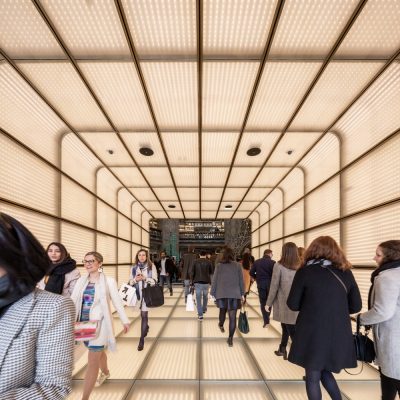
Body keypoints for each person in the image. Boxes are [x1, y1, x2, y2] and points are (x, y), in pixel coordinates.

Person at [0, 213, 75, 399]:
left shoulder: (70, 273)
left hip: (53, 313)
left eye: (58, 251)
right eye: (51, 250)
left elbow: (54, 387)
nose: (54, 254)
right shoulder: (47, 274)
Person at [287, 236, 362, 400]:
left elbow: (293, 304)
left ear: (312, 250)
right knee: (325, 370)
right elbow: (356, 306)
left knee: (313, 374)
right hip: (338, 331)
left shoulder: (305, 272)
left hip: (312, 331)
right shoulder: (346, 272)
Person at [71, 251, 130, 400]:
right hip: (82, 324)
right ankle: (106, 371)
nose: (88, 264)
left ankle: (85, 397)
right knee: (99, 353)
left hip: (100, 326)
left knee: (92, 361)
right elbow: (73, 301)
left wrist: (125, 320)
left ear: (100, 263)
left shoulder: (108, 281)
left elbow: (117, 301)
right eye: (85, 261)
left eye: (91, 261)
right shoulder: (81, 280)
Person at [359, 240, 400, 400]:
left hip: (393, 339)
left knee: (391, 378)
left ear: (389, 257)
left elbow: (382, 311)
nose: (374, 258)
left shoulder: (387, 277)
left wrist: (361, 318)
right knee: (388, 381)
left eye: (378, 255)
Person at [266, 242, 301, 360]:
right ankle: (282, 348)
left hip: (284, 303)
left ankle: (301, 355)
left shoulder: (279, 266)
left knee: (291, 329)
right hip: (298, 303)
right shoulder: (301, 265)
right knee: (286, 325)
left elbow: (274, 286)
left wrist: (268, 303)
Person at [211, 246, 245, 347]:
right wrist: (242, 293)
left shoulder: (219, 266)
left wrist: (212, 293)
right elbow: (241, 281)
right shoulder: (238, 265)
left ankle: (221, 324)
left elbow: (215, 280)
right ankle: (230, 339)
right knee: (232, 317)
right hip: (234, 294)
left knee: (222, 311)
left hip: (222, 293)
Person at [130, 249, 158, 351]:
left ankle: (141, 340)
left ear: (147, 257)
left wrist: (145, 278)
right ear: (137, 257)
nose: (141, 257)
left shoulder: (151, 267)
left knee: (144, 315)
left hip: (147, 295)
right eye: (139, 255)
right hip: (138, 296)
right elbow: (130, 282)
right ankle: (145, 328)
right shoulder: (134, 268)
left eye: (143, 255)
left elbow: (155, 281)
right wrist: (135, 280)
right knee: (142, 316)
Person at [250, 249, 275, 327]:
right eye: (272, 254)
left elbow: (251, 272)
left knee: (263, 302)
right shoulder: (273, 263)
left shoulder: (257, 262)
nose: (272, 255)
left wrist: (256, 278)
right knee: (269, 302)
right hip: (271, 285)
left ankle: (266, 321)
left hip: (261, 284)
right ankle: (268, 318)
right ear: (270, 254)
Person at [190, 250, 213, 320]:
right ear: (205, 255)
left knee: (198, 298)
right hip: (206, 282)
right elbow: (211, 272)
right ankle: (204, 309)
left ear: (199, 255)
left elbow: (192, 272)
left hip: (197, 282)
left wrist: (192, 282)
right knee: (205, 296)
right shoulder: (209, 262)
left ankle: (200, 315)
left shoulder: (195, 261)